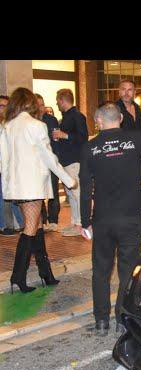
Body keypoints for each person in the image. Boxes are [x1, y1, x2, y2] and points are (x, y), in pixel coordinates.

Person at [80, 101, 141, 336]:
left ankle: (101, 321)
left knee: (100, 271)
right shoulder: (136, 139)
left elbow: (84, 190)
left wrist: (85, 222)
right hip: (131, 217)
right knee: (127, 270)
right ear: (121, 119)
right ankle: (122, 318)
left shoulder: (89, 148)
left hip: (102, 220)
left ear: (99, 121)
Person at [0, 87, 76, 293]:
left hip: (19, 185)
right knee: (31, 229)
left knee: (38, 227)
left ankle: (46, 273)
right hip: (33, 185)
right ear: (30, 103)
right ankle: (18, 276)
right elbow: (48, 157)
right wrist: (67, 179)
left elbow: (3, 161)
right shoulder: (37, 125)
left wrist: (8, 187)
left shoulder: (7, 126)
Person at [116, 79, 141, 236]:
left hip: (139, 156)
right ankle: (134, 224)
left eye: (130, 89)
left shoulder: (137, 108)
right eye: (123, 89)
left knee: (137, 186)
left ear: (134, 92)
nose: (126, 92)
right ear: (119, 91)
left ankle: (140, 224)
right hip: (123, 157)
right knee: (127, 189)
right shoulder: (114, 108)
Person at [53, 88, 88, 237]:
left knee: (76, 193)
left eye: (57, 101)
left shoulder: (77, 116)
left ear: (62, 100)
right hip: (66, 161)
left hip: (74, 160)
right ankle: (75, 222)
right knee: (70, 193)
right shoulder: (66, 116)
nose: (56, 104)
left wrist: (64, 135)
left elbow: (83, 137)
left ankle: (80, 224)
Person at [35, 94, 61, 232]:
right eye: (38, 104)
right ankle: (42, 220)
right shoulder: (31, 122)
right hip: (36, 164)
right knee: (39, 193)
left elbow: (56, 141)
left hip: (51, 160)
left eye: (42, 104)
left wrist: (56, 159)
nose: (41, 107)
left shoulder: (51, 120)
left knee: (53, 192)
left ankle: (53, 220)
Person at [0, 94, 24, 236]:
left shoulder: (13, 125)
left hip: (11, 166)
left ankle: (17, 224)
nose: (1, 109)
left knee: (11, 197)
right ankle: (5, 225)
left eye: (4, 106)